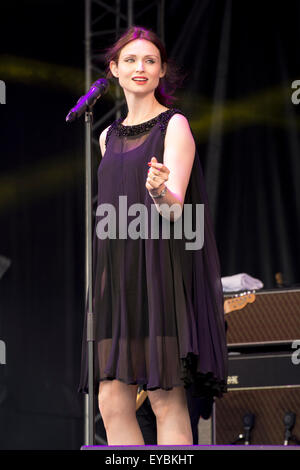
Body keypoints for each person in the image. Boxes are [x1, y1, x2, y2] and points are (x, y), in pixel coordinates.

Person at [78, 25, 228, 446]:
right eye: (130, 60)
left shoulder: (174, 126)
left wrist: (160, 189)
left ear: (162, 71)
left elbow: (177, 209)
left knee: (164, 397)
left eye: (149, 60)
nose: (139, 67)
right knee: (111, 399)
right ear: (114, 70)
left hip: (159, 270)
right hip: (118, 277)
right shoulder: (107, 137)